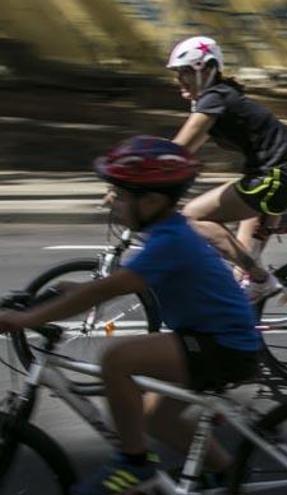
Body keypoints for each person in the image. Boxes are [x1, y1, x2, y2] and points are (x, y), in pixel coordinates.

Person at [0, 136, 263, 494]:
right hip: (208, 339)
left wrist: (27, 320)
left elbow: (111, 288)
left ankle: (134, 464)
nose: (112, 200)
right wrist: (70, 292)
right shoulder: (165, 234)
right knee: (154, 419)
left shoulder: (171, 240)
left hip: (223, 346)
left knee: (117, 360)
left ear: (152, 200)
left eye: (120, 194)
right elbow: (115, 284)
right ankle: (227, 476)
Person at [166, 36, 287, 302]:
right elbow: (186, 155)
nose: (180, 80)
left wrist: (131, 177)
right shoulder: (216, 100)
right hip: (276, 176)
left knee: (192, 216)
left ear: (207, 69)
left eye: (186, 71)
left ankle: (261, 279)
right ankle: (245, 318)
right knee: (239, 269)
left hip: (275, 176)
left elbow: (179, 149)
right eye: (178, 73)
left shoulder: (215, 97)